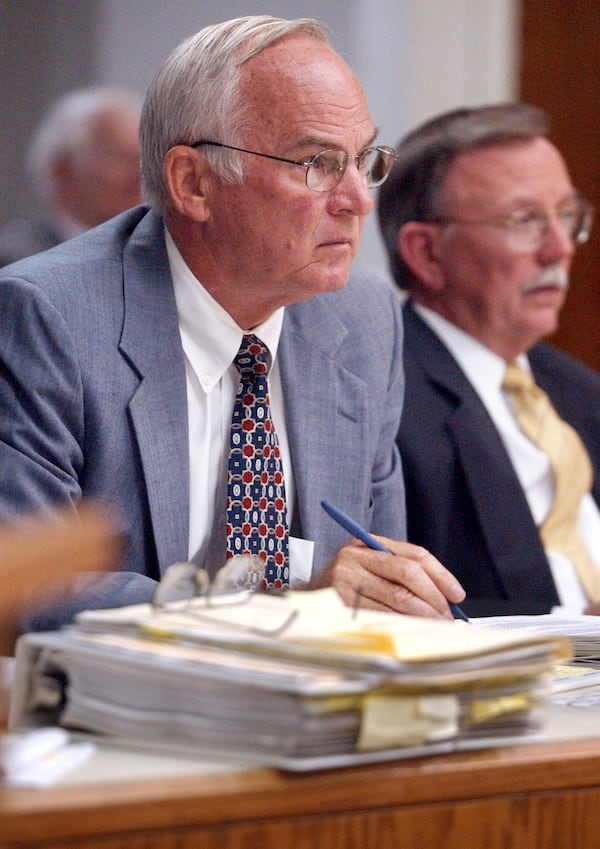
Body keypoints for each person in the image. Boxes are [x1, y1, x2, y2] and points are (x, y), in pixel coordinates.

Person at [0, 16, 465, 631]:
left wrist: (396, 592)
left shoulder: (363, 321)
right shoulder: (48, 316)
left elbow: (377, 573)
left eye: (363, 160)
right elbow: (27, 588)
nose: (358, 198)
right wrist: (282, 607)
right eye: (318, 163)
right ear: (193, 183)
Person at [377, 102, 600, 617]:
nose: (561, 247)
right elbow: (403, 610)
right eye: (525, 221)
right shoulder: (385, 401)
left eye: (566, 215)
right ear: (427, 253)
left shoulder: (577, 391)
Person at [0, 86, 143, 266]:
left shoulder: (154, 260)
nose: (138, 175)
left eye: (142, 160)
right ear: (63, 171)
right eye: (119, 159)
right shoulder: (16, 263)